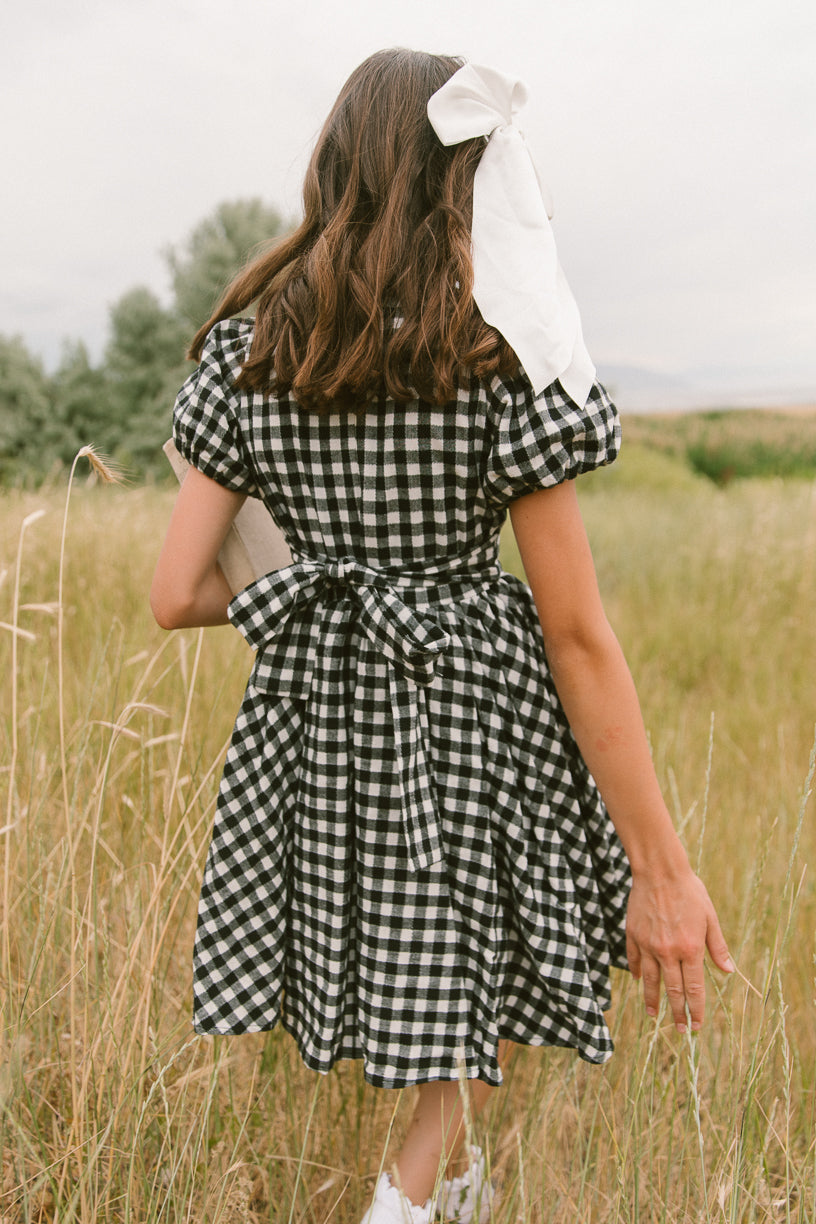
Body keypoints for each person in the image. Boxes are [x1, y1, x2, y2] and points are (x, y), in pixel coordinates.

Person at [150, 49, 734, 1224]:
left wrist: (321, 586)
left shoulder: (253, 347)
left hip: (319, 705)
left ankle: (448, 1186)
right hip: (476, 702)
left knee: (432, 960)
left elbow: (175, 593)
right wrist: (662, 871)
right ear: (457, 178)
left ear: (339, 162)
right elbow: (575, 633)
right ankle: (405, 1203)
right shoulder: (495, 350)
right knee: (498, 947)